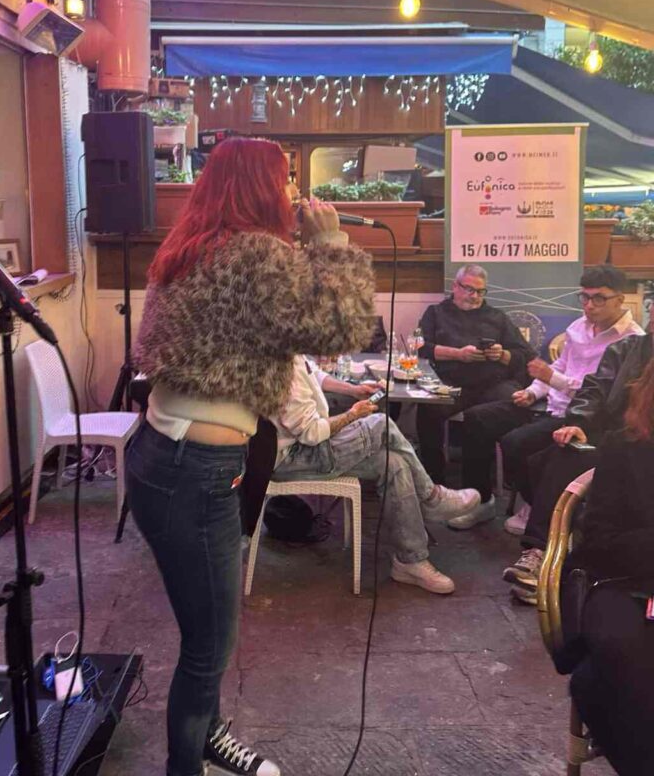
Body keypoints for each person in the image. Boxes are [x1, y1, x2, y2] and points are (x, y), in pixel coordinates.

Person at [127, 138, 375, 776]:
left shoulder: (192, 247)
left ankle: (208, 734)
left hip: (164, 457)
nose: (294, 190)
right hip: (197, 471)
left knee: (207, 625)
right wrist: (332, 243)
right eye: (285, 178)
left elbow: (276, 325)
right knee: (208, 644)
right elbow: (340, 331)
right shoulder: (256, 254)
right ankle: (186, 763)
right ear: (259, 187)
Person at [454, 266, 642, 535]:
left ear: (620, 299)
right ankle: (481, 501)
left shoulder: (632, 341)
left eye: (599, 298)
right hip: (549, 403)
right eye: (585, 297)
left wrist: (551, 378)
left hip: (580, 417)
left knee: (515, 443)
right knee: (477, 419)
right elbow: (559, 366)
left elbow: (603, 397)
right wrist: (533, 391)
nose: (589, 305)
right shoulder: (579, 326)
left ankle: (539, 505)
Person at [271, 356, 481, 593]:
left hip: (306, 446)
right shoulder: (280, 363)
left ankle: (409, 561)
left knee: (393, 462)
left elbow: (315, 374)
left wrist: (352, 389)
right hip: (293, 458)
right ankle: (432, 498)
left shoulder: (292, 352)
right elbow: (311, 433)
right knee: (380, 424)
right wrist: (352, 414)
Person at [504, 327, 653, 605]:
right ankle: (541, 553)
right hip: (615, 439)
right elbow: (594, 389)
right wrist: (578, 422)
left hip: (641, 447)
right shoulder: (626, 348)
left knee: (556, 461)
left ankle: (554, 557)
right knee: (555, 453)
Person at [567, 355, 654, 775]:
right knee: (621, 654)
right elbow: (599, 541)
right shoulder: (624, 446)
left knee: (596, 682)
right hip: (624, 580)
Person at [415, 264, 535, 526]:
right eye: (469, 289)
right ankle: (435, 488)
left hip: (494, 383)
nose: (475, 297)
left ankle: (489, 494)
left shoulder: (497, 317)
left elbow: (526, 356)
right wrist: (457, 354)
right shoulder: (436, 313)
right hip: (452, 383)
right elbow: (421, 348)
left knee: (504, 410)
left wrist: (502, 355)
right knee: (427, 409)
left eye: (481, 292)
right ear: (455, 286)